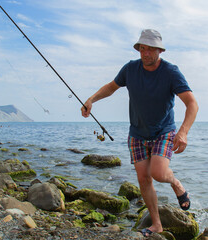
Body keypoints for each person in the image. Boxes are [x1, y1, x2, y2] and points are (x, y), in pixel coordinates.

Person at [81, 29, 198, 237]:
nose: (145, 53)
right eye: (142, 48)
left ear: (159, 50)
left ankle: (176, 183)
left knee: (159, 173)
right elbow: (111, 87)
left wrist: (183, 132)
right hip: (137, 133)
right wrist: (91, 99)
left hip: (163, 131)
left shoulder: (171, 72)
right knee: (144, 179)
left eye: (150, 49)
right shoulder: (130, 69)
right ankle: (156, 225)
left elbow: (192, 104)